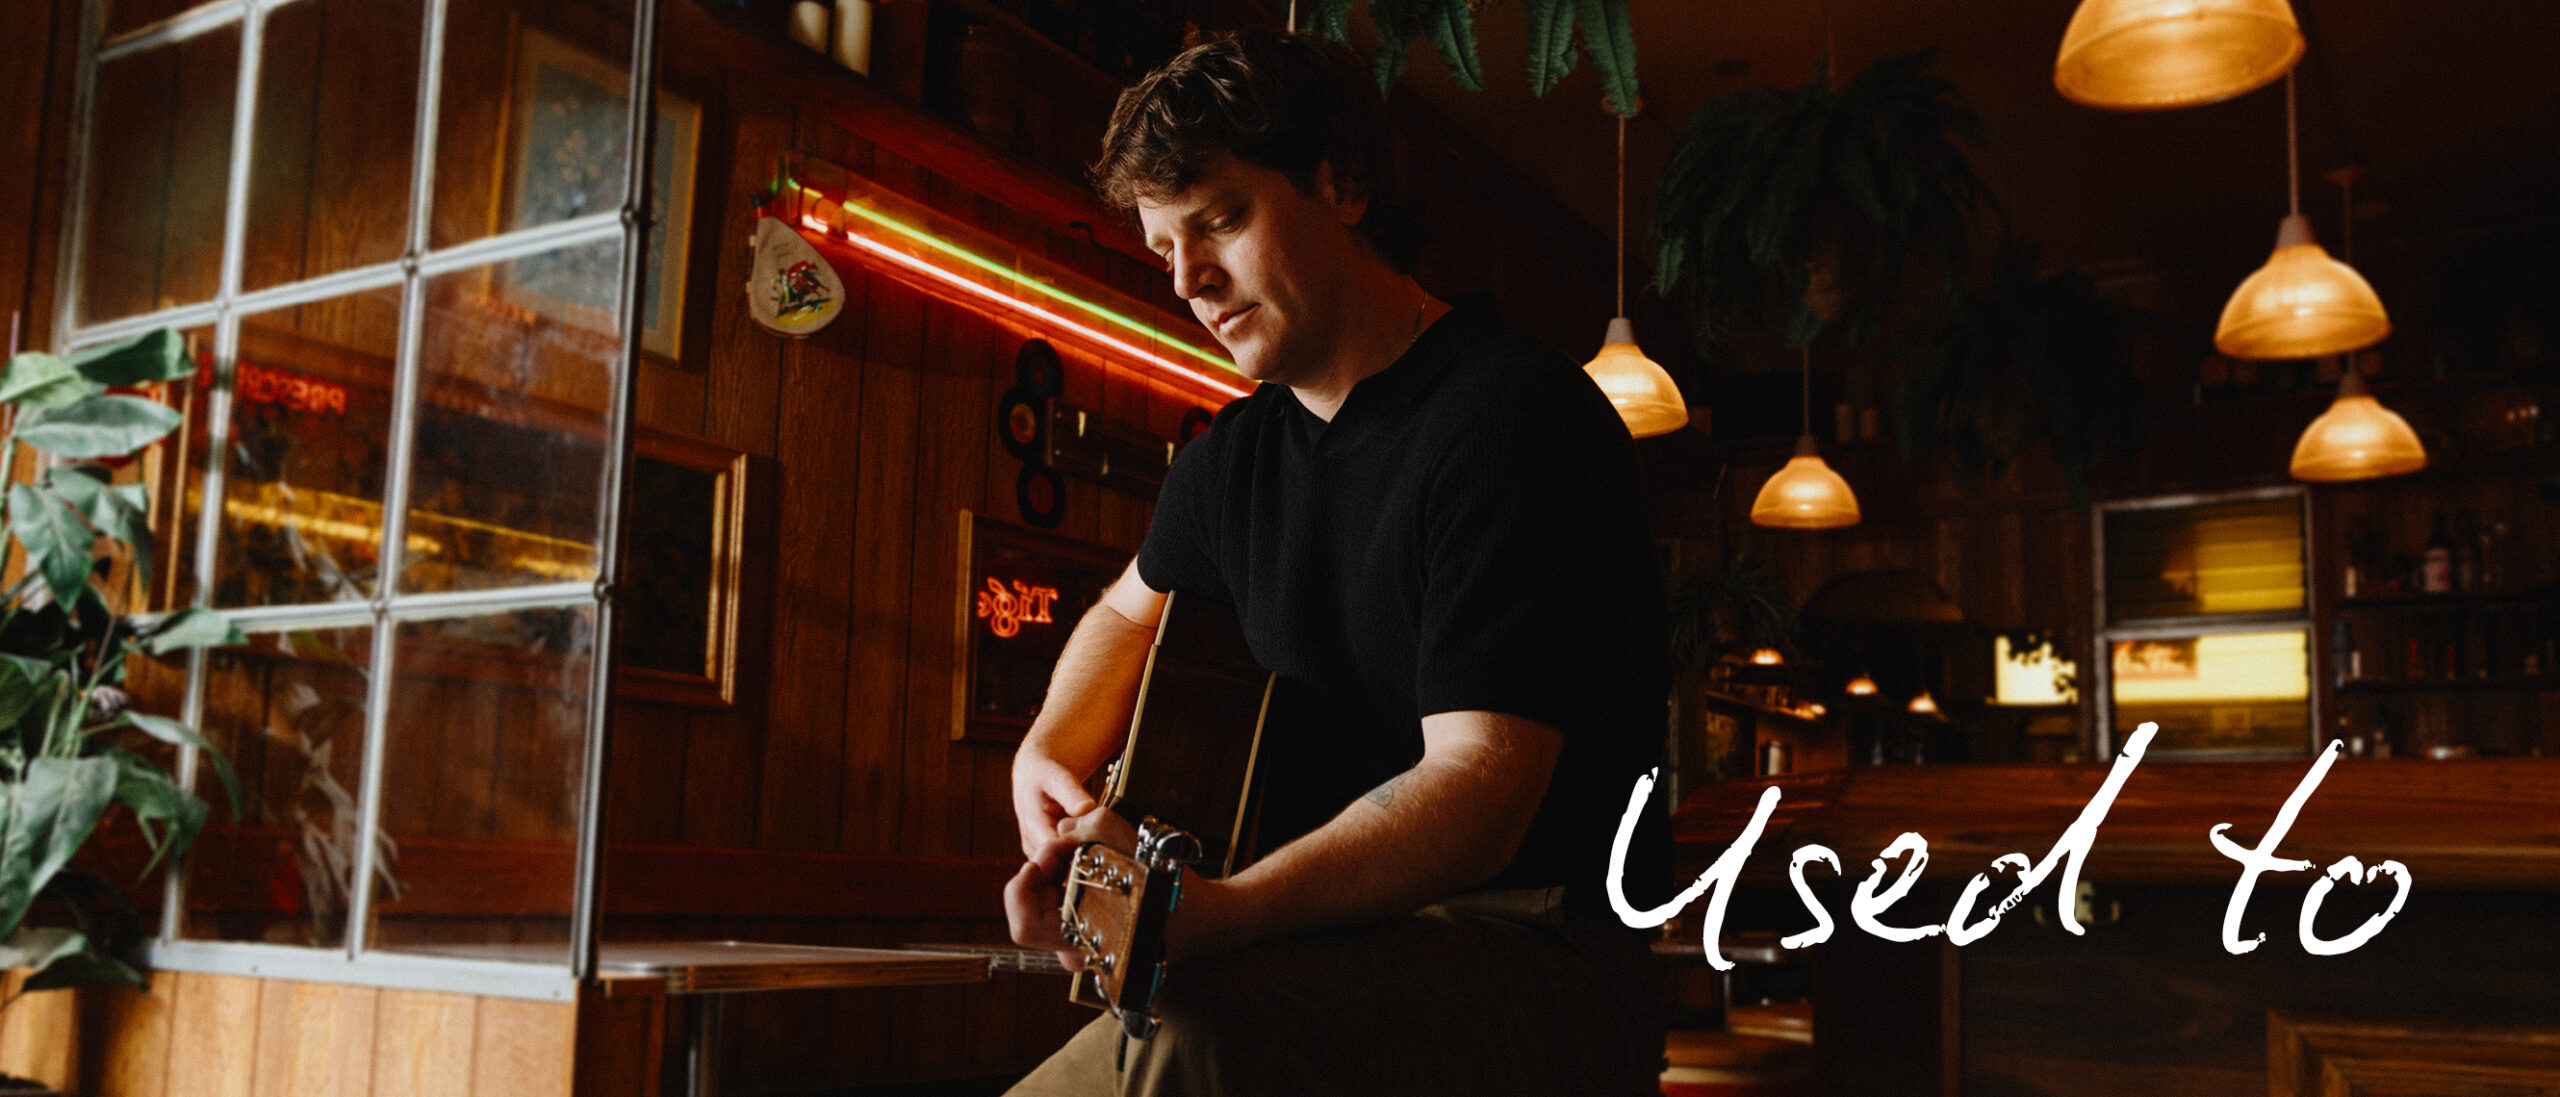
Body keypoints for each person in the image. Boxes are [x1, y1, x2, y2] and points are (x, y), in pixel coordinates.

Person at [1001, 29, 1672, 1097]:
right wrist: (1046, 750)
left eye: (1221, 219)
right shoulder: (1230, 460)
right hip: (1315, 949)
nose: (1189, 279)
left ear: (1343, 184)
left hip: (1544, 949)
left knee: (1203, 1032)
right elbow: (1126, 613)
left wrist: (1230, 910)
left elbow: (1477, 787)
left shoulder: (1512, 416)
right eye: (1165, 246)